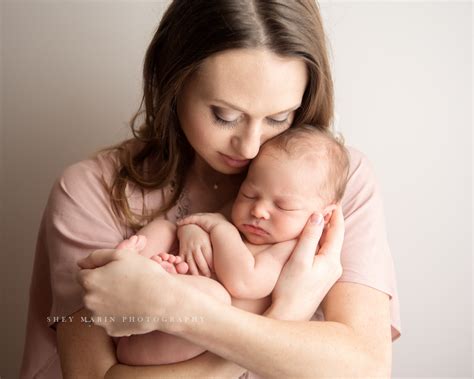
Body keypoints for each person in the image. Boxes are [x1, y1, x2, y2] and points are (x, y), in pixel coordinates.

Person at [20, 1, 401, 378]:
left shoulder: (332, 182)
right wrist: (285, 314)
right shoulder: (93, 190)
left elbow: (365, 368)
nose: (250, 147)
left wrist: (172, 306)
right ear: (174, 83)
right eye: (225, 115)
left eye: (278, 118)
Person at [114, 126, 350, 366]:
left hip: (167, 340)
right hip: (141, 309)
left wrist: (219, 228)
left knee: (216, 296)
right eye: (249, 194)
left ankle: (160, 282)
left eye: (283, 206)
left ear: (325, 215)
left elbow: (244, 282)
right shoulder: (245, 220)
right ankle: (128, 265)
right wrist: (191, 231)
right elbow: (197, 222)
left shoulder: (292, 249)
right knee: (165, 229)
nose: (258, 210)